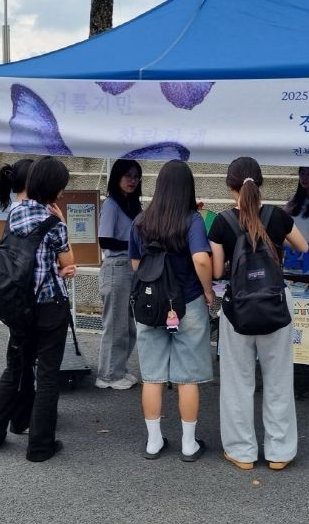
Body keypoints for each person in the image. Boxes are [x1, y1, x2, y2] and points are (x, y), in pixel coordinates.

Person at [208, 156, 308, 471]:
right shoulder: (278, 216)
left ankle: (242, 452)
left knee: (237, 381)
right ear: (260, 183)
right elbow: (304, 247)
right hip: (275, 302)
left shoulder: (221, 222)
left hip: (238, 307)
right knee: (279, 379)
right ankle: (280, 452)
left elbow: (216, 270)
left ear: (230, 186)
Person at [0, 156, 77, 462]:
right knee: (47, 375)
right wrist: (62, 223)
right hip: (50, 307)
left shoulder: (15, 212)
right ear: (54, 188)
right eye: (61, 186)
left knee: (15, 368)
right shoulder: (53, 223)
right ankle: (40, 447)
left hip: (20, 306)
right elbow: (69, 263)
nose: (62, 191)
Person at [129, 159, 214, 461]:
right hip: (187, 303)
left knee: (152, 376)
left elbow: (136, 265)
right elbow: (201, 259)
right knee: (187, 377)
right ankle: (189, 444)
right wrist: (207, 291)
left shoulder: (141, 221)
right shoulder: (192, 220)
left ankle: (153, 441)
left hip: (150, 305)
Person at [0, 158, 34, 436]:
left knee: (21, 362)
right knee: (18, 366)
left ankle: (20, 418)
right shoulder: (24, 212)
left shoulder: (17, 209)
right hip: (22, 298)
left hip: (13, 295)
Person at [95, 159, 143, 390]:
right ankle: (108, 376)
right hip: (116, 266)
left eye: (136, 176)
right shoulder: (112, 205)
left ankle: (118, 369)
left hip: (130, 268)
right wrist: (134, 245)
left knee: (128, 326)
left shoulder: (134, 205)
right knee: (116, 325)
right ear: (117, 177)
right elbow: (105, 240)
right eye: (127, 176)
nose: (132, 180)